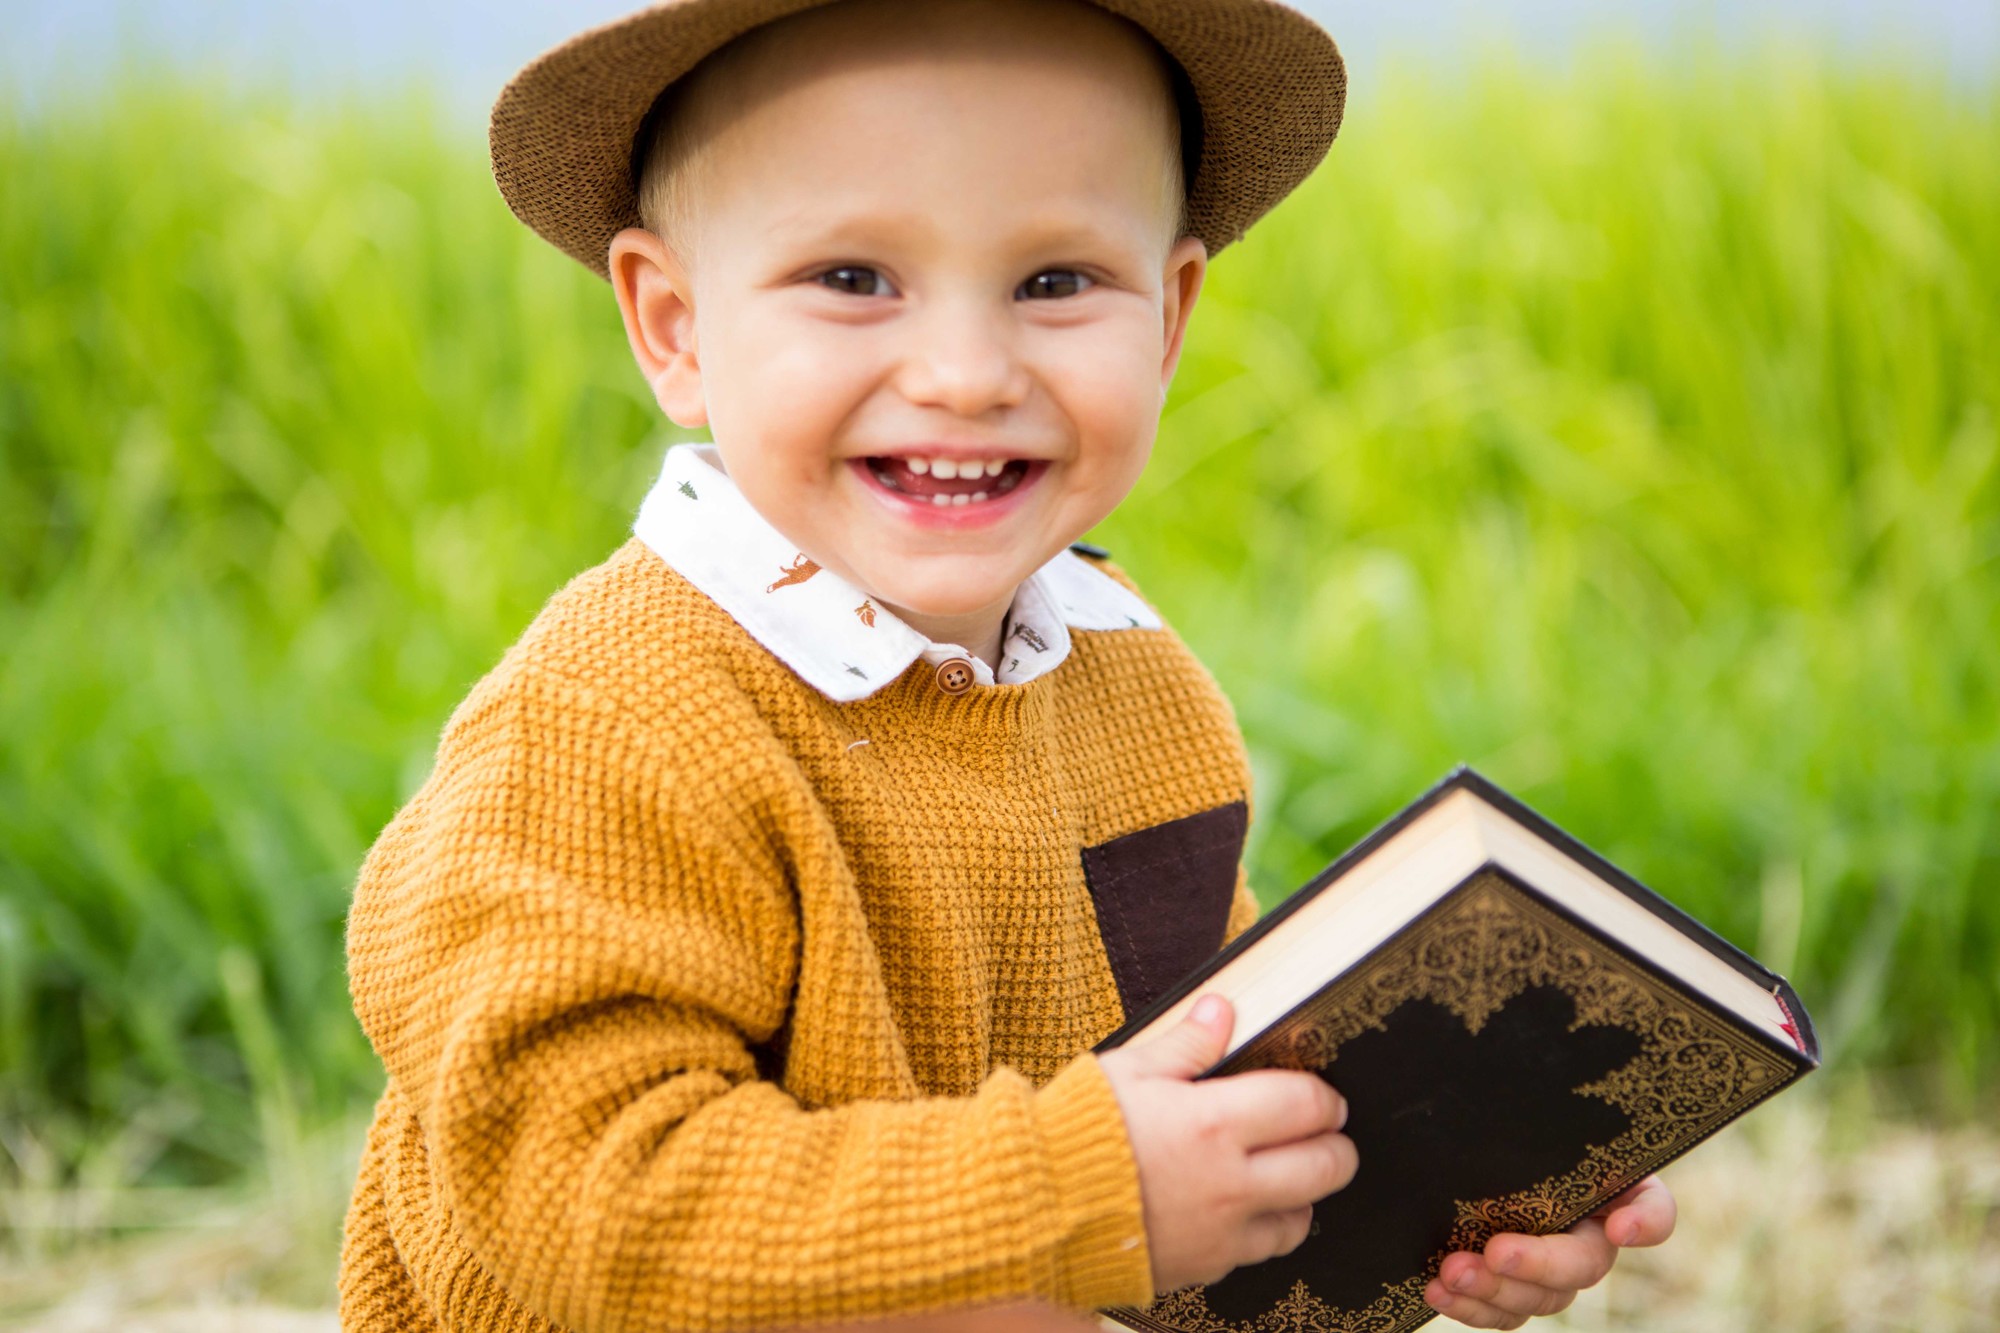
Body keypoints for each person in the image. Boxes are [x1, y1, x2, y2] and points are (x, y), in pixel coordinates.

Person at [337, 1, 1675, 1330]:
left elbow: (1179, 1107)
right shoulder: (608, 725)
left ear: (1167, 316)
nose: (966, 374)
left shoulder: (1137, 690)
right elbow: (592, 1205)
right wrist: (1089, 1179)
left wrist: (1411, 1188)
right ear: (676, 327)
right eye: (853, 279)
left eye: (1055, 283)